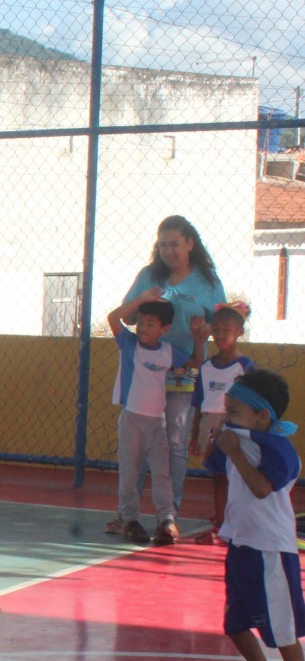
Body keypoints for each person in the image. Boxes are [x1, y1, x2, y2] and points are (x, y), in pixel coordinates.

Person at [202, 369, 305, 661]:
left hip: (269, 548)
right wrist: (217, 438)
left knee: (283, 629)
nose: (227, 417)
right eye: (226, 410)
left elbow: (262, 488)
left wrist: (236, 452)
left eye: (234, 412)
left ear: (262, 416)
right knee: (235, 622)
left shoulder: (278, 448)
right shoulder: (238, 438)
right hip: (242, 544)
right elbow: (211, 461)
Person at [116, 215, 225, 509]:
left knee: (175, 443)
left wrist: (204, 331)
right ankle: (128, 514)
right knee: (137, 443)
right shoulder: (148, 276)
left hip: (183, 369)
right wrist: (142, 300)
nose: (168, 251)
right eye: (163, 245)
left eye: (174, 244)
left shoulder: (208, 282)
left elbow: (220, 323)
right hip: (145, 372)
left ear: (190, 244)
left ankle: (169, 512)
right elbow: (126, 316)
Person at [106, 296, 192, 545]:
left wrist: (199, 338)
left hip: (157, 424)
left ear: (164, 329)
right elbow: (113, 318)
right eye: (140, 322)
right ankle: (129, 519)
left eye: (150, 324)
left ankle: (166, 518)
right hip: (131, 421)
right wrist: (141, 299)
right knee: (129, 473)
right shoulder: (129, 344)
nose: (143, 328)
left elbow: (194, 362)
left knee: (161, 472)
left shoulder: (168, 352)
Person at [190, 302, 254, 541]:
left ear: (239, 332)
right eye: (215, 330)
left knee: (237, 476)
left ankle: (237, 524)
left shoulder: (245, 366)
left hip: (236, 428)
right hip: (210, 426)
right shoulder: (206, 367)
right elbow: (199, 403)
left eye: (226, 330)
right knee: (218, 476)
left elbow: (252, 402)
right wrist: (195, 435)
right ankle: (221, 524)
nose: (219, 335)